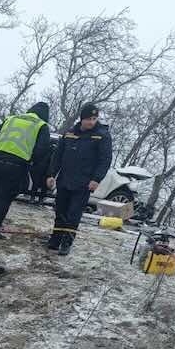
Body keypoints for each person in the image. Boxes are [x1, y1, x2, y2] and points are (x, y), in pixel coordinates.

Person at [46, 103, 113, 256]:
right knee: (60, 211)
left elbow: (105, 160)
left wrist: (96, 179)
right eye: (88, 118)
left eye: (94, 118)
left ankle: (66, 243)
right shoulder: (70, 133)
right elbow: (58, 156)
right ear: (82, 119)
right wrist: (51, 174)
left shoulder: (102, 135)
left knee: (74, 214)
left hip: (84, 183)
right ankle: (55, 240)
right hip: (65, 179)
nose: (91, 122)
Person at [0, 102, 51, 239]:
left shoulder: (11, 118)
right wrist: (31, 159)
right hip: (17, 163)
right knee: (5, 197)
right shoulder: (41, 125)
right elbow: (42, 149)